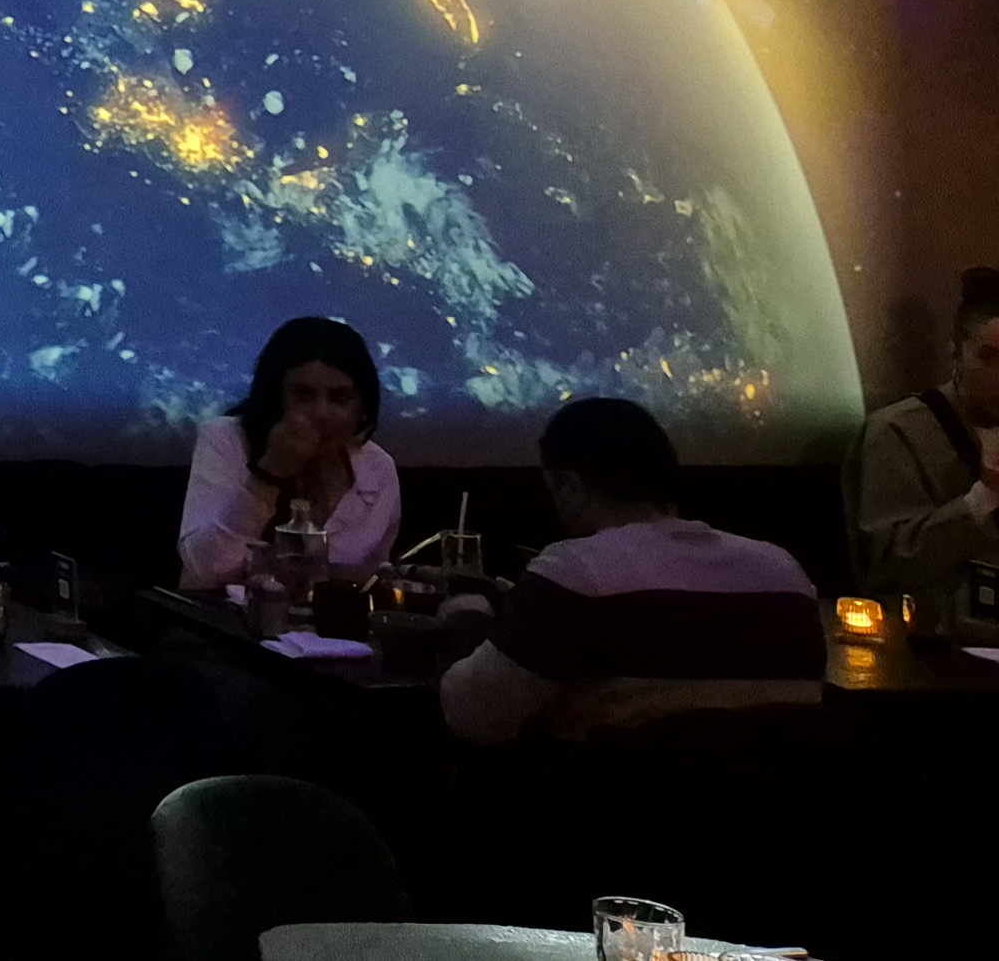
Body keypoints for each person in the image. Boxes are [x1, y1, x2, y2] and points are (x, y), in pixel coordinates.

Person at [439, 397, 825, 744]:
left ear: (570, 486)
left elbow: (474, 717)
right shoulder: (784, 574)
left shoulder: (575, 574)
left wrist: (467, 615)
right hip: (774, 799)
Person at [178, 316, 402, 589]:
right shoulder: (227, 438)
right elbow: (206, 572)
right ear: (274, 398)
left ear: (362, 406)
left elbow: (372, 582)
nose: (321, 413)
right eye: (303, 396)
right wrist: (269, 473)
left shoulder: (377, 468)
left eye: (340, 398)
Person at [845, 265, 999, 600]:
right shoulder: (897, 433)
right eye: (989, 358)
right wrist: (982, 499)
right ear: (956, 354)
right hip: (932, 631)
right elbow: (882, 566)